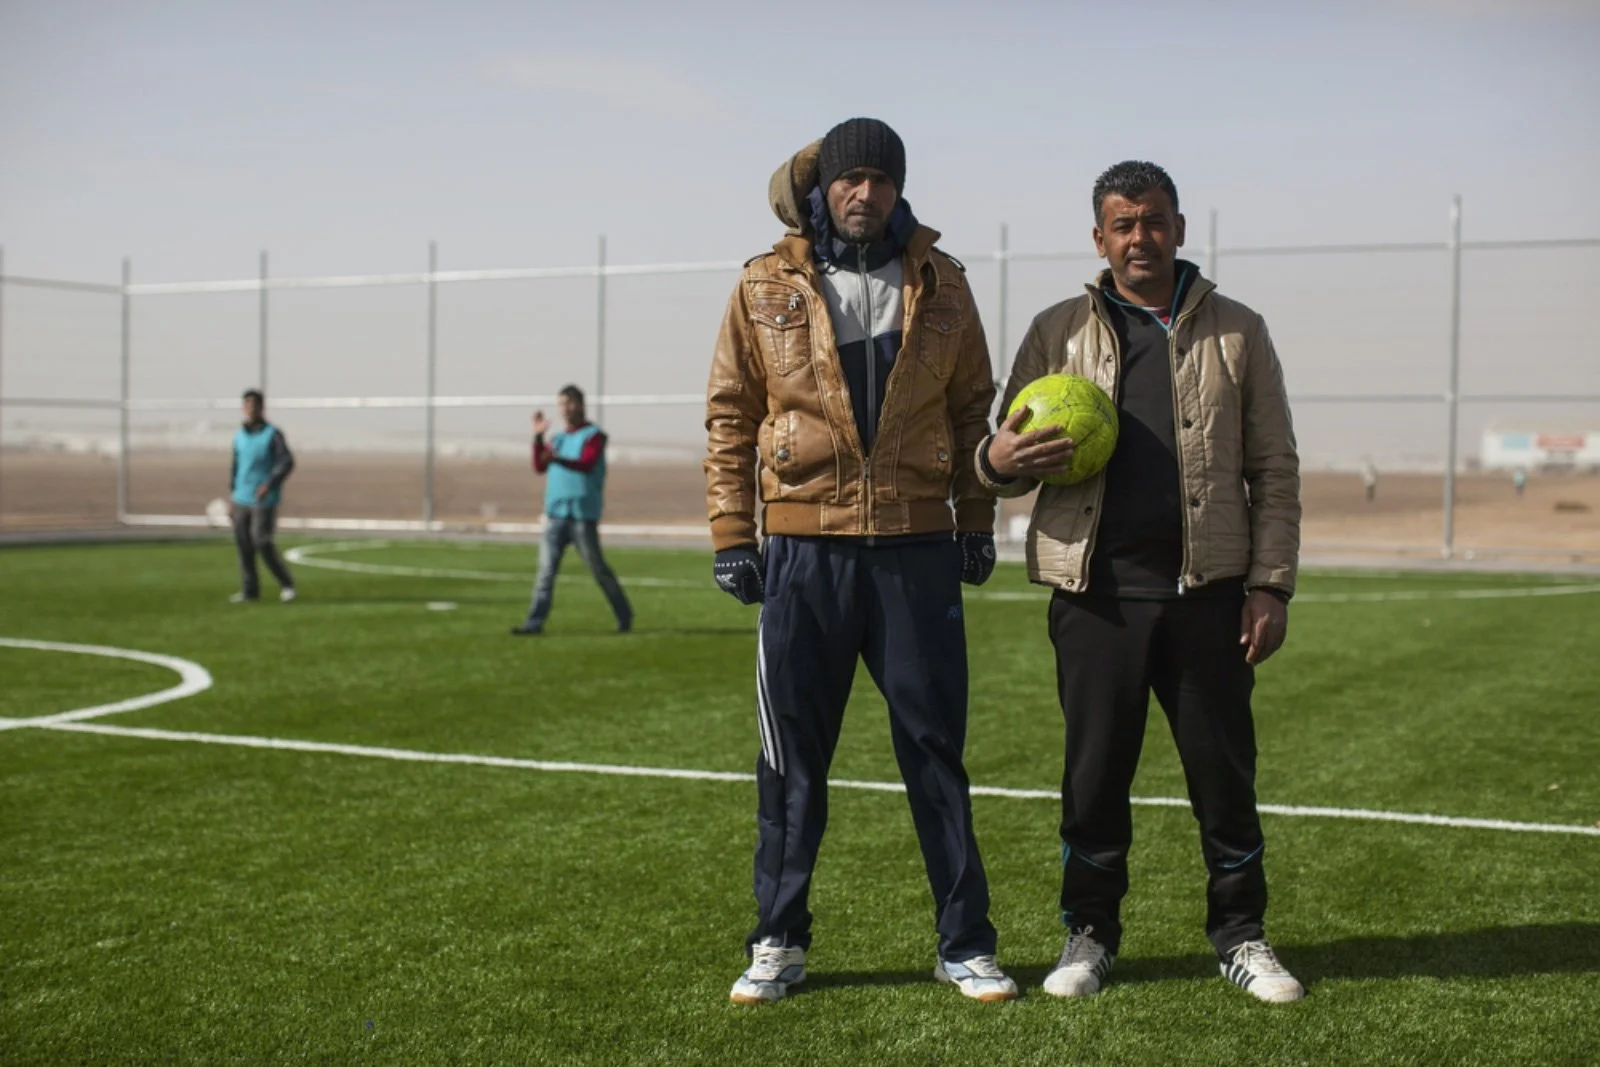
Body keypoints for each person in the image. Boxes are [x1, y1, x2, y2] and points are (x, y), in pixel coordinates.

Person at [975, 160, 1305, 1004]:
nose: (1139, 238)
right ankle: (1089, 934)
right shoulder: (1057, 331)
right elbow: (1001, 461)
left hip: (1210, 596)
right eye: (1122, 224)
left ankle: (1242, 934)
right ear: (1099, 238)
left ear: (1179, 228)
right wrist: (994, 459)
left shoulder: (1239, 330)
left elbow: (1274, 467)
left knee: (1224, 779)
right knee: (1093, 778)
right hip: (1095, 596)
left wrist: (1270, 585)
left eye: (1153, 221)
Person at [705, 118, 1015, 1005]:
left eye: (881, 179)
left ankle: (965, 942)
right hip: (803, 549)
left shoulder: (943, 284)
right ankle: (778, 938)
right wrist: (734, 535)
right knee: (791, 759)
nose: (865, 194)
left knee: (934, 751)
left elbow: (971, 417)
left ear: (897, 188)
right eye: (851, 180)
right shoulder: (765, 284)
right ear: (824, 188)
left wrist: (977, 518)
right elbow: (731, 413)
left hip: (916, 548)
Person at [511, 385, 632, 635]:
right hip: (556, 515)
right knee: (545, 574)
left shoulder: (594, 435)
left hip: (582, 516)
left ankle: (624, 614)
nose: (565, 409)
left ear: (580, 405)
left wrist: (558, 459)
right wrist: (537, 437)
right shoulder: (557, 439)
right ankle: (534, 623)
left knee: (598, 569)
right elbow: (539, 466)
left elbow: (586, 463)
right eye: (562, 404)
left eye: (569, 403)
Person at [228, 389, 296, 603]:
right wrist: (232, 496)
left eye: (254, 404)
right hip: (242, 497)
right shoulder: (239, 436)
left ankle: (286, 583)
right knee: (243, 544)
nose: (250, 408)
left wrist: (269, 483)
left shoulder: (272, 434)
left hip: (263, 499)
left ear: (261, 407)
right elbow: (236, 467)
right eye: (247, 404)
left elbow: (286, 461)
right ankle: (250, 591)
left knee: (261, 540)